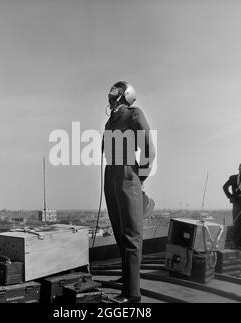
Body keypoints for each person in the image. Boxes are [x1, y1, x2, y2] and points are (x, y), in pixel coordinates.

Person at [103, 81, 155, 303]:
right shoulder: (111, 120)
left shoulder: (134, 114)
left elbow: (148, 150)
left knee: (132, 235)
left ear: (126, 95)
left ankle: (132, 294)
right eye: (111, 91)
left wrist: (137, 178)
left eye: (117, 91)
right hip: (111, 174)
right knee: (120, 233)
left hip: (126, 172)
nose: (112, 94)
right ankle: (127, 281)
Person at [223, 163, 241, 246]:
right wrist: (230, 196)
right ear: (238, 169)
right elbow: (225, 187)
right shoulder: (233, 178)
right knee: (236, 222)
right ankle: (235, 241)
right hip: (236, 203)